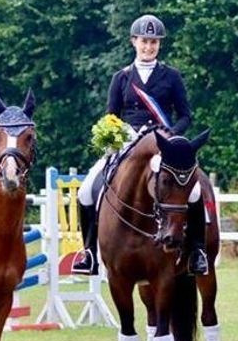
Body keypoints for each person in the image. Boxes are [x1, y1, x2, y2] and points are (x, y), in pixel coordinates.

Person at [72, 14, 208, 276]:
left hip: (161, 146)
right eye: (144, 41)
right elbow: (111, 115)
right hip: (127, 143)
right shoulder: (121, 78)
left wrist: (170, 135)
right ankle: (89, 252)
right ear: (134, 41)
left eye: (154, 42)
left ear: (159, 45)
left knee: (192, 192)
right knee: (86, 190)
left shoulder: (171, 76)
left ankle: (197, 249)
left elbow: (185, 116)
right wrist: (115, 134)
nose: (149, 47)